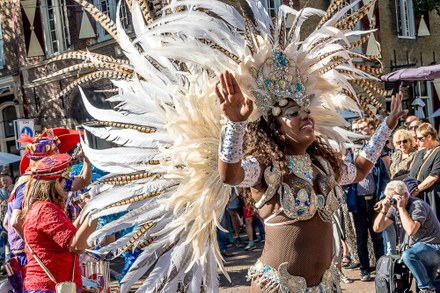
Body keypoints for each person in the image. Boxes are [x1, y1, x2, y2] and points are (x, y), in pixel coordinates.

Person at [216, 68, 405, 290]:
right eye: (293, 113)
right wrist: (236, 124)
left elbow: (360, 170)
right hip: (277, 287)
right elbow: (230, 175)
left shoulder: (323, 165)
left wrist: (387, 126)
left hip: (325, 285)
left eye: (306, 110)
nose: (306, 115)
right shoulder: (265, 166)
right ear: (274, 129)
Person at [21, 154, 97, 293]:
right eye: (64, 180)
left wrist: (86, 211)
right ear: (54, 184)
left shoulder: (43, 207)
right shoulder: (45, 209)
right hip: (48, 287)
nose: (68, 185)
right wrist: (94, 212)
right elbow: (76, 245)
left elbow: (69, 235)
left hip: (52, 286)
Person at [373, 180, 440, 293]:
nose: (392, 203)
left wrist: (401, 208)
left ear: (404, 195)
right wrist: (384, 210)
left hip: (433, 247)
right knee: (430, 283)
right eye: (389, 199)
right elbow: (377, 228)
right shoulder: (394, 208)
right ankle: (428, 288)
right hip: (420, 249)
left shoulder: (417, 205)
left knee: (409, 255)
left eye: (393, 199)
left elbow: (411, 230)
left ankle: (427, 289)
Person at [409, 122, 440, 219]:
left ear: (429, 137)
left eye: (419, 138)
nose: (417, 141)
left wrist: (416, 190)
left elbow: (434, 176)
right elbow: (411, 172)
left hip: (432, 195)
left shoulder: (438, 151)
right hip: (417, 195)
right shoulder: (420, 153)